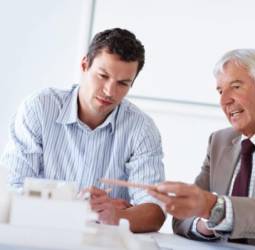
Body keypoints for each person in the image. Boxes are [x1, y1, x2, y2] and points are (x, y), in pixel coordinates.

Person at [0, 28, 165, 232]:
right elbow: (10, 190)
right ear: (84, 65)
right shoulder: (39, 109)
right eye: (103, 76)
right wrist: (75, 208)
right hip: (39, 235)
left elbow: (155, 212)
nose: (110, 91)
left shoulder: (142, 129)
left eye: (123, 83)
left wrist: (116, 215)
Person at [149, 49, 255, 249]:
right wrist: (209, 221)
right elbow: (183, 220)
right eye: (221, 91)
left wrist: (212, 207)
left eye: (235, 87)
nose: (224, 101)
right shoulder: (219, 141)